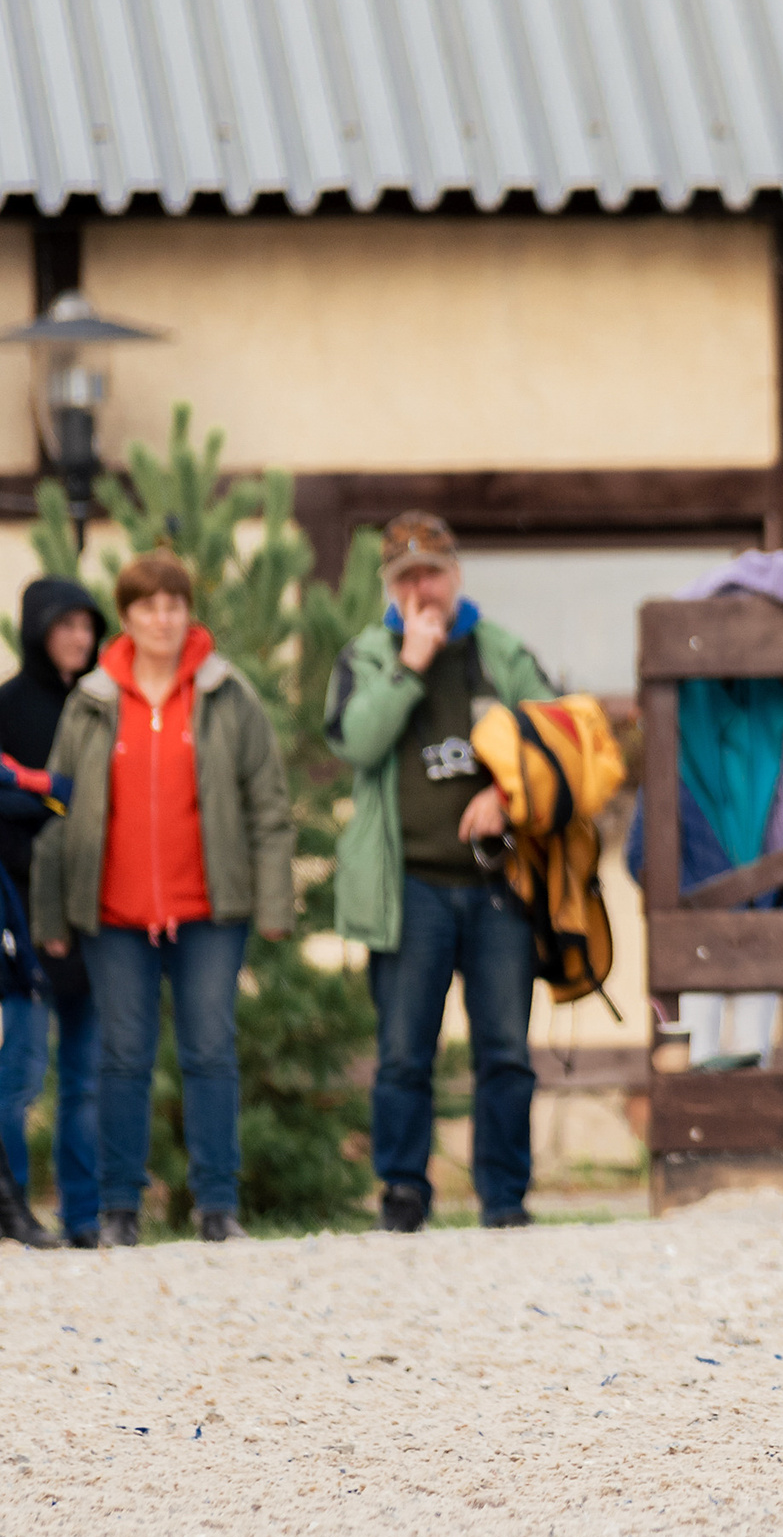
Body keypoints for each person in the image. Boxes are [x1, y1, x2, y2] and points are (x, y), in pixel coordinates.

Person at [32, 553, 292, 1245]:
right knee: (122, 1055)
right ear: (127, 617)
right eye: (147, 606)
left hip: (208, 908)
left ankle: (217, 1206)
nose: (162, 619)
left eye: (174, 604)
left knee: (210, 1049)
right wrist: (51, 913)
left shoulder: (227, 694)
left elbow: (266, 804)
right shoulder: (91, 701)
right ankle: (119, 1207)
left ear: (188, 612)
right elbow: (57, 811)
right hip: (113, 914)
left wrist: (273, 902)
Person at [327, 513, 554, 1233]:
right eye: (406, 578)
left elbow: (555, 743)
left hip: (496, 886)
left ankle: (504, 1196)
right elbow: (358, 742)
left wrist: (507, 792)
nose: (422, 587)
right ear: (391, 588)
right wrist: (410, 666)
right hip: (410, 889)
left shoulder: (503, 651)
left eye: (432, 572)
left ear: (456, 575)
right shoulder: (366, 656)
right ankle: (402, 1191)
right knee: (402, 1051)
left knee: (506, 1051)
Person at [0, 577, 105, 1247]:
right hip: (21, 912)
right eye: (65, 625)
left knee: (87, 1075)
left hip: (95, 912)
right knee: (23, 1071)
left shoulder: (103, 706)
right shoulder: (8, 705)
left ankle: (86, 1217)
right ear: (39, 629)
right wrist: (52, 803)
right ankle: (10, 1203)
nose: (80, 638)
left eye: (88, 626)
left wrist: (48, 800)